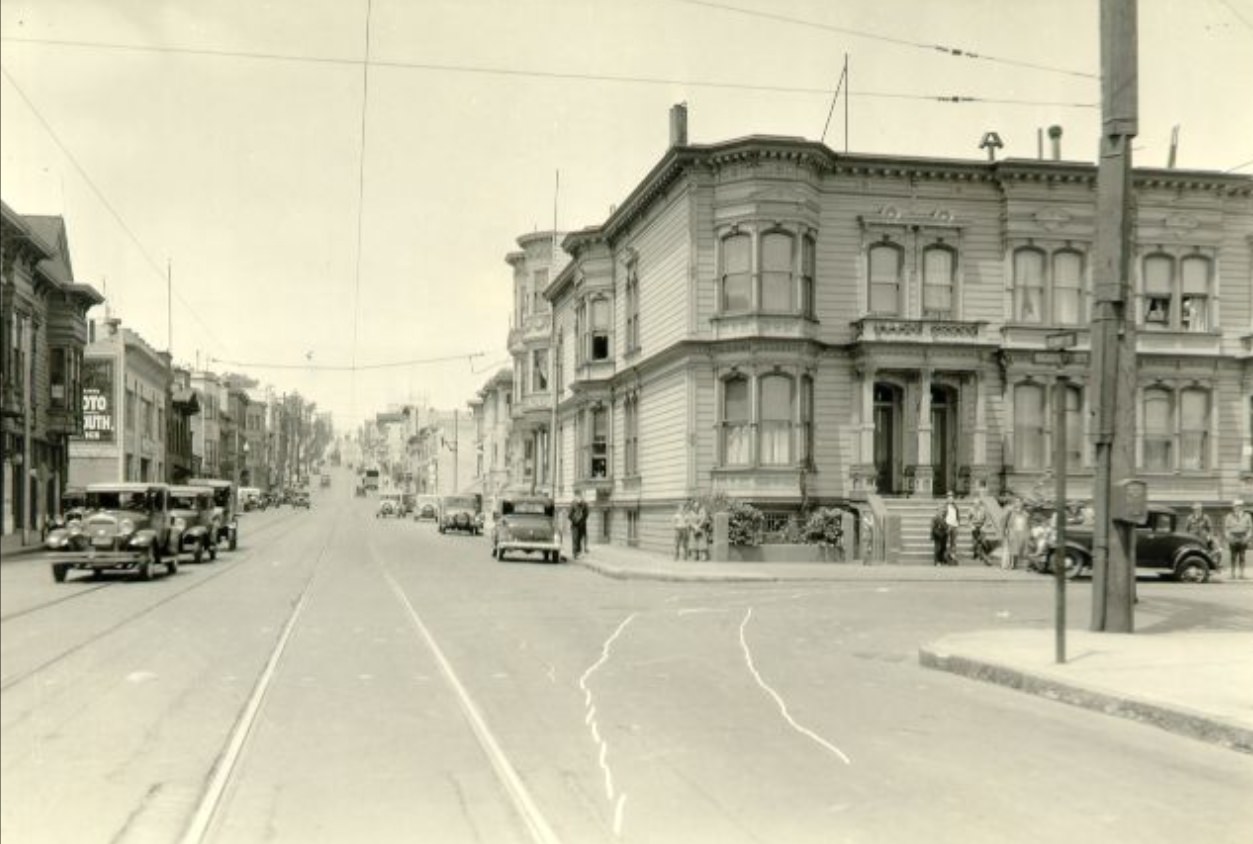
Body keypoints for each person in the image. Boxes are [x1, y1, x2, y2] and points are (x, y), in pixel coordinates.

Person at [1223, 499, 1251, 579]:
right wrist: (1229, 537)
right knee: (1233, 557)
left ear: (1242, 507)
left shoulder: (1247, 516)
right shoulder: (1229, 516)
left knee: (1242, 556)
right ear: (1233, 507)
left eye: (1239, 506)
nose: (1237, 508)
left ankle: (1242, 574)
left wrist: (1247, 537)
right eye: (1235, 506)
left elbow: (1250, 528)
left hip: (1243, 537)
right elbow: (1226, 528)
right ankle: (1232, 574)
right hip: (1233, 537)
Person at [1002, 497, 1031, 571]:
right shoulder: (1011, 512)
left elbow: (1027, 524)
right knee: (1012, 548)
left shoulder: (1025, 514)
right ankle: (1011, 564)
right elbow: (1004, 521)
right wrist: (1005, 529)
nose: (1017, 503)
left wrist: (1027, 534)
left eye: (1019, 502)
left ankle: (1016, 564)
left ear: (1022, 503)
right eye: (1016, 502)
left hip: (1021, 532)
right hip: (1013, 531)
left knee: (1019, 549)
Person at [968, 498, 991, 566]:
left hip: (982, 526)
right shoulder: (971, 510)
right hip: (974, 526)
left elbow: (987, 519)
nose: (976, 505)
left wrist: (984, 526)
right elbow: (968, 519)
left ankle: (982, 555)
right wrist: (971, 526)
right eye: (975, 504)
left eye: (977, 504)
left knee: (982, 541)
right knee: (975, 541)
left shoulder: (983, 509)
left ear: (979, 504)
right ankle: (975, 554)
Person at [943, 492, 961, 565]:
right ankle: (945, 557)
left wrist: (958, 523)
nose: (950, 499)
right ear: (947, 499)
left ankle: (953, 556)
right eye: (949, 498)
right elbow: (942, 516)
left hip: (954, 526)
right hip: (947, 525)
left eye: (952, 498)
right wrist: (945, 525)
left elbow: (958, 515)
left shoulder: (956, 507)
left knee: (953, 542)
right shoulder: (944, 506)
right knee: (946, 541)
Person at [568, 494, 589, 559]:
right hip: (575, 525)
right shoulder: (573, 504)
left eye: (580, 500)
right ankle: (575, 553)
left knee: (580, 538)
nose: (579, 501)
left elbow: (586, 514)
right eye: (578, 500)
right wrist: (575, 520)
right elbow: (569, 515)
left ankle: (579, 552)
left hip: (582, 525)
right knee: (575, 539)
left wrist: (582, 521)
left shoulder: (585, 504)